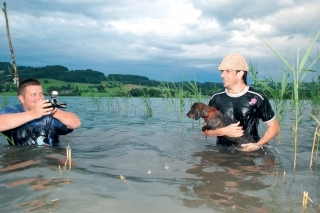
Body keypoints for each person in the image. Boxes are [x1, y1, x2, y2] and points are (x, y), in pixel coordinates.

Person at [203, 53, 280, 152]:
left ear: (240, 74)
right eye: (222, 71)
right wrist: (224, 131)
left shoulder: (257, 97)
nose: (222, 75)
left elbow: (274, 127)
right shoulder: (216, 98)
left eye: (227, 71)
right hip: (222, 153)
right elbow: (205, 130)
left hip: (250, 152)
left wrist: (258, 145)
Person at [0, 78, 81, 146]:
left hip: (50, 157)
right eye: (33, 95)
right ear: (21, 98)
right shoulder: (13, 111)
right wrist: (33, 114)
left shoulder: (49, 113)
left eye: (41, 94)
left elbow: (76, 123)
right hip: (20, 158)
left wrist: (55, 112)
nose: (39, 98)